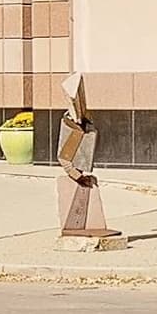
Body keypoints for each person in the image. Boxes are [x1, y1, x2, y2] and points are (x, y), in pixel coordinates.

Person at [55, 79, 113, 246]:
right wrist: (76, 175)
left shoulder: (81, 123)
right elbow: (64, 158)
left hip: (78, 167)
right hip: (74, 171)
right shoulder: (72, 126)